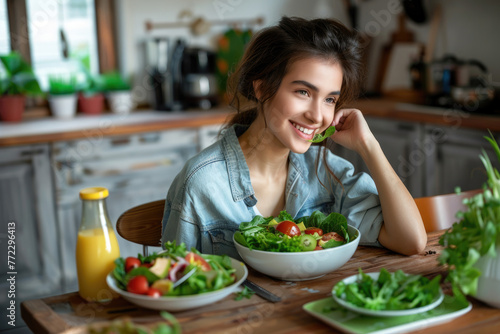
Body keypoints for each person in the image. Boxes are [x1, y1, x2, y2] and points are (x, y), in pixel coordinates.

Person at [161, 16, 427, 259]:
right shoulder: (202, 183)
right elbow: (177, 282)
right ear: (263, 87)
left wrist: (369, 146)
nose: (317, 116)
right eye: (303, 92)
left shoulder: (325, 170)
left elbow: (411, 240)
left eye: (330, 99)